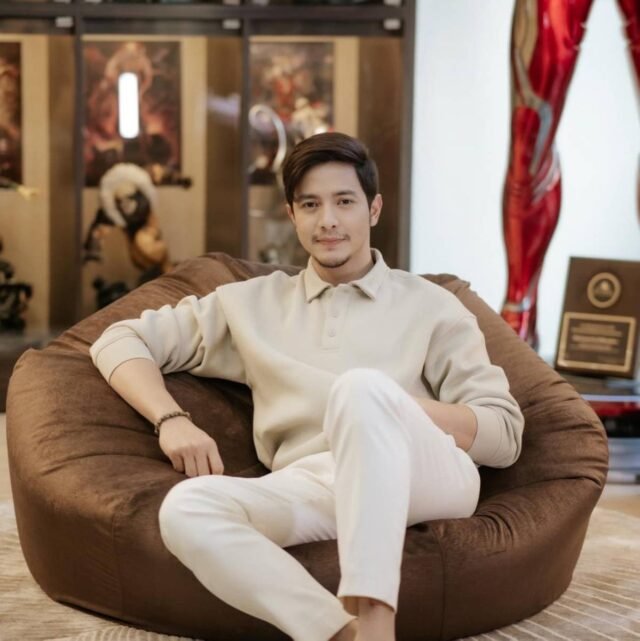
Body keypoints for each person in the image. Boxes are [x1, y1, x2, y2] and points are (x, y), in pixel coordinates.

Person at [90, 132, 524, 641]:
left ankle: (377, 624)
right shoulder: (248, 304)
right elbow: (118, 340)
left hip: (425, 470)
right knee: (186, 509)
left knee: (360, 390)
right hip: (315, 480)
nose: (328, 221)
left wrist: (387, 410)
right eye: (311, 205)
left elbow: (503, 434)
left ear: (374, 209)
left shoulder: (432, 304)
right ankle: (339, 634)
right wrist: (170, 419)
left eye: (345, 202)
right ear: (292, 215)